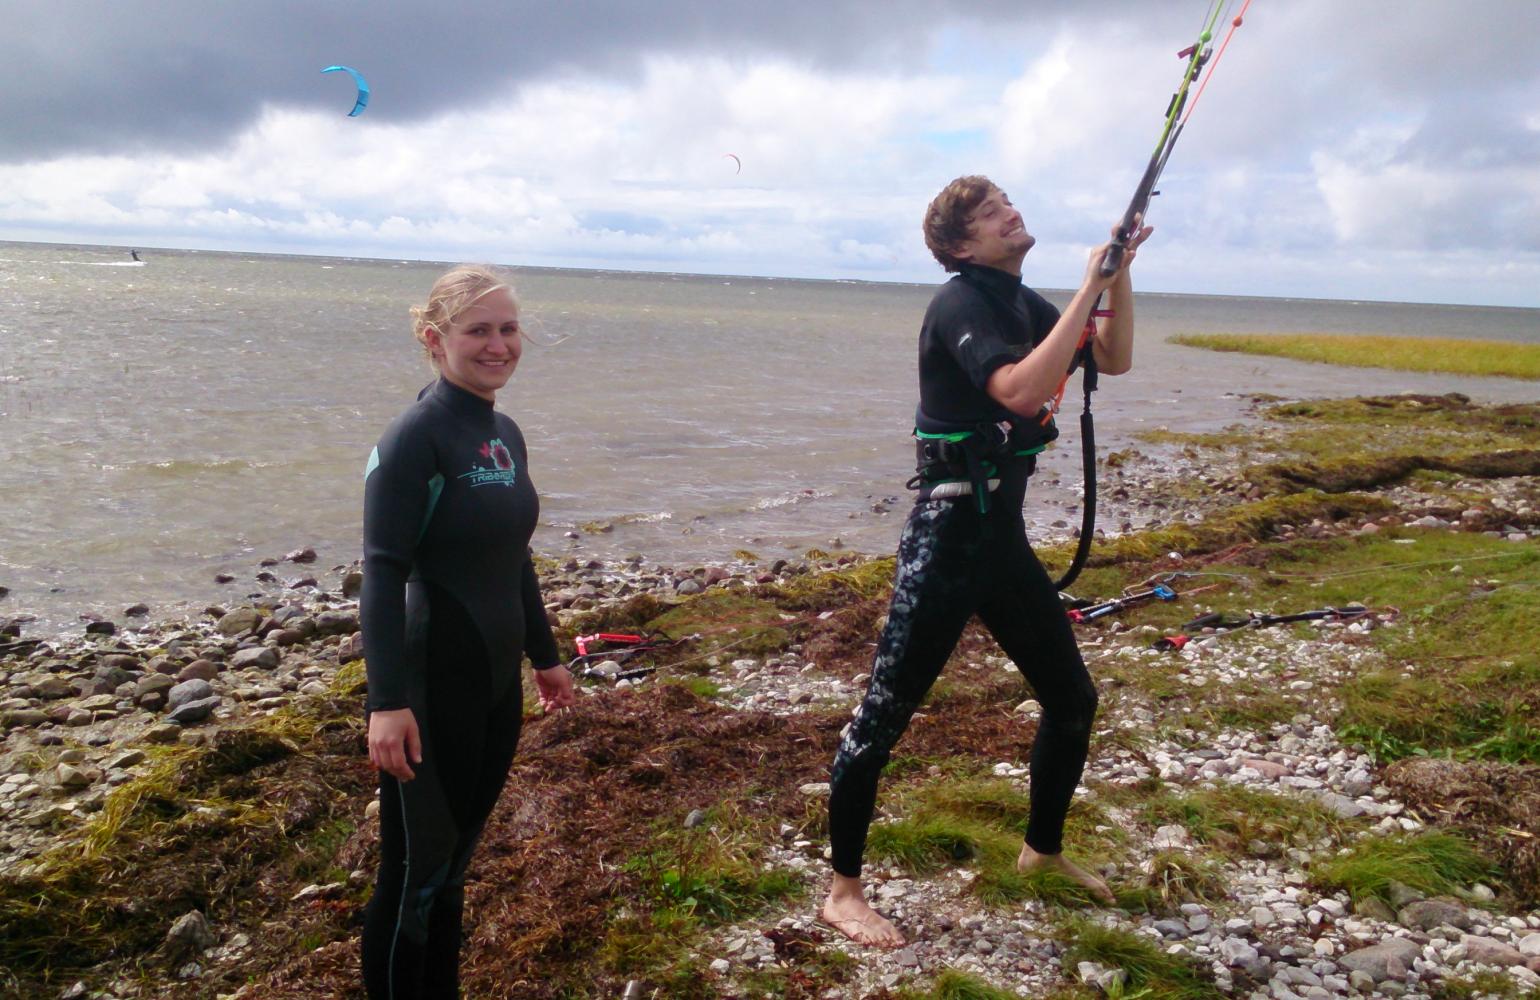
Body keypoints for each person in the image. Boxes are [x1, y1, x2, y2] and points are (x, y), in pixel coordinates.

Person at [820, 176, 1152, 948]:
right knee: (881, 721)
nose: (1012, 212)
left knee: (1072, 699)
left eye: (1008, 200)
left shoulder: (1020, 302)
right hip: (946, 539)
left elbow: (1114, 356)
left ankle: (1041, 851)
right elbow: (1017, 389)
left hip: (998, 540)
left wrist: (1119, 271)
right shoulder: (961, 303)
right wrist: (1086, 287)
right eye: (991, 211)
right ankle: (842, 892)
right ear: (962, 244)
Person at [359, 264, 576, 998]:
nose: (498, 345)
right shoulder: (414, 437)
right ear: (435, 337)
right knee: (414, 875)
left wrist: (544, 657)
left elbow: (512, 553)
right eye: (478, 329)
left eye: (508, 328)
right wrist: (384, 704)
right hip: (431, 683)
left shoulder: (504, 433)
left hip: (494, 685)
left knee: (453, 870)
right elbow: (383, 574)